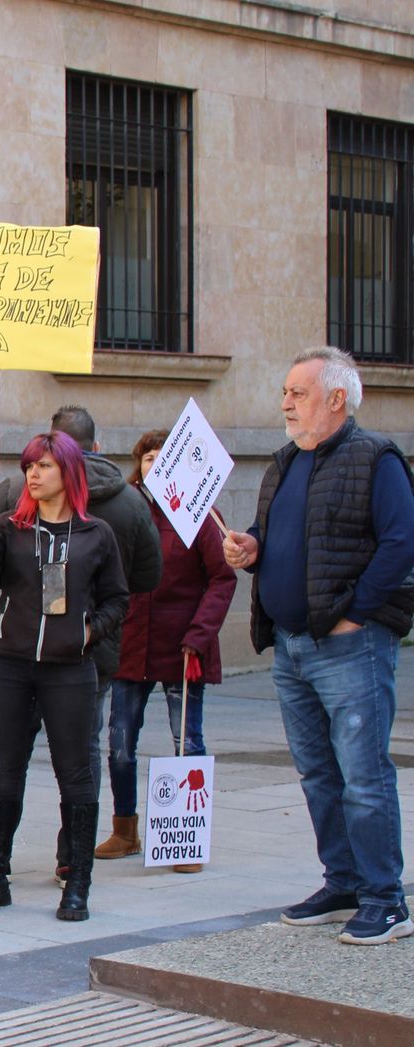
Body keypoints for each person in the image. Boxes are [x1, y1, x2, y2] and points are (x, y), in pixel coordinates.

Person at [224, 347, 414, 947]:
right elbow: (279, 535)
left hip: (350, 648)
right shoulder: (285, 461)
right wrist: (251, 547)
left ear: (336, 399)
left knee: (363, 775)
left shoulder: (376, 458)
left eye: (296, 392)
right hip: (292, 646)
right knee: (317, 774)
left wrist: (356, 614)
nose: (284, 402)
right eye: (284, 391)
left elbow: (402, 542)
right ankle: (344, 882)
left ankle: (387, 899)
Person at [0, 404, 161, 883]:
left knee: (76, 764)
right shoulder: (15, 516)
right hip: (16, 658)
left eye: (42, 463)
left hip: (76, 659)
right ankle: (9, 864)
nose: (31, 474)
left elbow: (126, 592)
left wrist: (88, 628)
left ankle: (74, 869)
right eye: (29, 465)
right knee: (13, 764)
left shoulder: (102, 527)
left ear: (69, 461)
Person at [97, 430, 235, 871]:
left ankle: (185, 841)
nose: (155, 465)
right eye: (148, 458)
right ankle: (124, 829)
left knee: (186, 743)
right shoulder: (125, 509)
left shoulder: (198, 513)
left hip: (183, 648)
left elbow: (222, 578)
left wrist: (200, 634)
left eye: (163, 457)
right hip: (131, 645)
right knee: (120, 743)